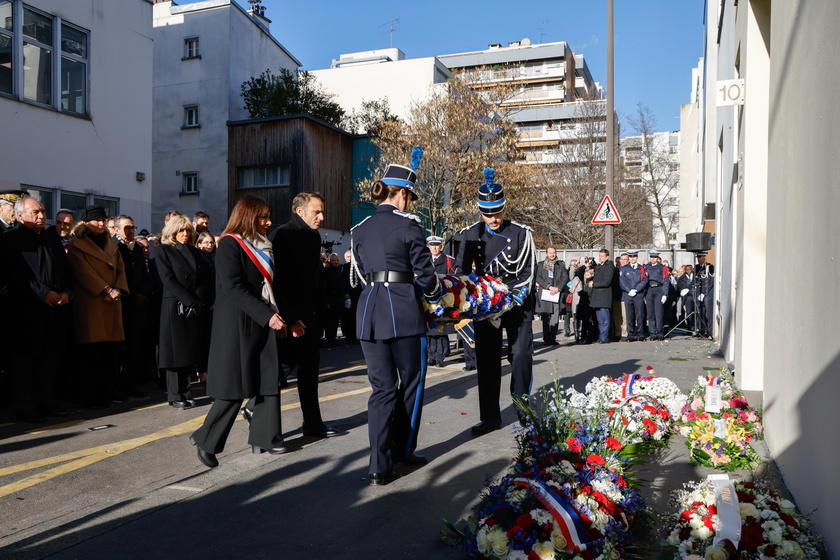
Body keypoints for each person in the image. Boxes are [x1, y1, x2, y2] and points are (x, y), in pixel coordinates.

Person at [350, 147, 441, 485]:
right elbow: (427, 276)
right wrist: (433, 298)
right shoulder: (409, 226)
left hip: (369, 313)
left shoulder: (360, 228)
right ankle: (403, 449)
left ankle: (378, 464)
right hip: (402, 311)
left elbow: (360, 273)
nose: (410, 203)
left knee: (381, 389)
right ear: (401, 193)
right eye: (410, 197)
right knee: (412, 383)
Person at [189, 196, 301, 468]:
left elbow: (272, 287)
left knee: (268, 380)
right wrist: (268, 316)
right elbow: (233, 287)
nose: (269, 222)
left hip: (262, 321)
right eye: (263, 217)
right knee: (234, 387)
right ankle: (206, 439)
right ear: (248, 217)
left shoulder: (265, 245)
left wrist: (291, 319)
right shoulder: (230, 243)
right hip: (238, 324)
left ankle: (267, 438)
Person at [455, 168, 536, 435]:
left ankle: (523, 409)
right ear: (480, 210)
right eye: (487, 212)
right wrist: (466, 305)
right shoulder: (470, 233)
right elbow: (462, 272)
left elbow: (527, 274)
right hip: (485, 306)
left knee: (521, 355)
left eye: (497, 211)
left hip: (515, 303)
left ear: (504, 206)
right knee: (488, 360)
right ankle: (490, 417)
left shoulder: (521, 233)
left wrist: (509, 300)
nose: (493, 217)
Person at [268, 192, 338, 439]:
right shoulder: (282, 235)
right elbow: (278, 282)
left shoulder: (312, 235)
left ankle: (313, 423)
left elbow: (313, 278)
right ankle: (258, 412)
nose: (322, 216)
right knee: (281, 368)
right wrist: (290, 317)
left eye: (322, 211)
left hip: (311, 315)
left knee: (309, 372)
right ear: (300, 211)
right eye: (316, 212)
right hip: (290, 317)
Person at [0, 197, 72, 421]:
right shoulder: (10, 240)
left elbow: (65, 270)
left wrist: (67, 292)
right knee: (24, 361)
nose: (41, 216)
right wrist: (42, 293)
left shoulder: (51, 239)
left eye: (42, 211)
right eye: (35, 212)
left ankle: (45, 402)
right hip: (25, 311)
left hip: (54, 310)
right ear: (20, 215)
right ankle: (25, 407)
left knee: (49, 360)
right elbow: (13, 276)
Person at [67, 205, 129, 409]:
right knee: (91, 353)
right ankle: (89, 396)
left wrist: (118, 288)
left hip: (113, 301)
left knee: (110, 353)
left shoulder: (110, 242)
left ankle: (108, 392)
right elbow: (83, 272)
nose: (101, 224)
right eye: (96, 220)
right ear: (86, 223)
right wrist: (105, 289)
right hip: (93, 302)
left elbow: (120, 269)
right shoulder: (77, 243)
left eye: (103, 220)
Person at [156, 215, 215, 409]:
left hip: (193, 305)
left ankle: (186, 391)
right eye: (180, 230)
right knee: (175, 352)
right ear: (172, 232)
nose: (184, 234)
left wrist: (201, 302)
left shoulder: (193, 251)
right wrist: (190, 301)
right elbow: (168, 280)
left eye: (187, 231)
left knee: (188, 350)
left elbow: (201, 279)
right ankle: (175, 395)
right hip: (175, 304)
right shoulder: (163, 250)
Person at [113, 215, 151, 399]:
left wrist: (142, 292)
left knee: (134, 348)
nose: (130, 231)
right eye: (127, 227)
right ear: (116, 229)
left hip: (136, 305)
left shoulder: (136, 247)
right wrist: (131, 293)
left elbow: (144, 273)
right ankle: (116, 387)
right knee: (118, 350)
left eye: (133, 228)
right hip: (121, 303)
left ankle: (130, 384)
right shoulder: (114, 247)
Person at [426, 235, 455, 367]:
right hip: (427, 298)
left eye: (437, 245)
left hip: (443, 298)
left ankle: (440, 356)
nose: (434, 248)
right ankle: (431, 355)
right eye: (432, 245)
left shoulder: (448, 261)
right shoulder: (425, 260)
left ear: (441, 246)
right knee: (430, 328)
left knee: (441, 328)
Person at [534, 246, 564, 346]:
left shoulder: (560, 265)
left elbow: (565, 277)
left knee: (555, 317)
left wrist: (558, 288)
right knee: (546, 317)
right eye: (550, 253)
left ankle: (553, 338)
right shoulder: (541, 264)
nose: (552, 254)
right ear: (546, 254)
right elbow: (538, 277)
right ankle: (546, 338)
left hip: (556, 293)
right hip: (546, 293)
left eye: (554, 252)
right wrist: (548, 286)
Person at [619, 250, 648, 341]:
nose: (632, 259)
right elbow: (622, 281)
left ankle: (640, 333)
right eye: (630, 257)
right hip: (628, 294)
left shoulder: (642, 268)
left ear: (637, 257)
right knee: (629, 315)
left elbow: (644, 280)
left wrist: (636, 289)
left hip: (638, 294)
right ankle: (630, 334)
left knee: (640, 314)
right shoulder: (624, 269)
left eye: (634, 257)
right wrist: (629, 290)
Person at [588, 248, 615, 344]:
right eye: (599, 256)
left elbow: (606, 282)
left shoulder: (609, 266)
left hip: (604, 295)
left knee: (605, 318)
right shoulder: (599, 266)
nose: (600, 258)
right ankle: (601, 336)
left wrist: (594, 284)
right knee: (599, 319)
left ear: (607, 257)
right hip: (597, 295)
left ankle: (605, 337)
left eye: (602, 256)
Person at [643, 250, 670, 340]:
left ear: (657, 258)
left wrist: (665, 294)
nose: (653, 259)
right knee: (650, 313)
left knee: (658, 313)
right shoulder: (646, 267)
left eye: (654, 257)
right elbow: (643, 280)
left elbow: (666, 280)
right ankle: (652, 333)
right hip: (650, 289)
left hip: (659, 289)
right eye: (651, 257)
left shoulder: (662, 267)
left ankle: (659, 332)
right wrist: (644, 294)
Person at [340, 249, 362, 345]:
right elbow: (343, 283)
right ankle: (350, 338)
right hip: (349, 295)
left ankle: (356, 336)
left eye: (351, 256)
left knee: (357, 317)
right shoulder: (344, 267)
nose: (350, 258)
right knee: (349, 318)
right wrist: (346, 297)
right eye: (348, 257)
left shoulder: (358, 266)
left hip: (358, 295)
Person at [695, 252, 715, 337]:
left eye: (701, 257)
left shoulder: (710, 267)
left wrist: (704, 293)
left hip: (707, 293)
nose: (699, 259)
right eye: (698, 257)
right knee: (700, 312)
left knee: (708, 313)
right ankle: (701, 330)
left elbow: (710, 282)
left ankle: (709, 331)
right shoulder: (697, 267)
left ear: (704, 257)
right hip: (699, 291)